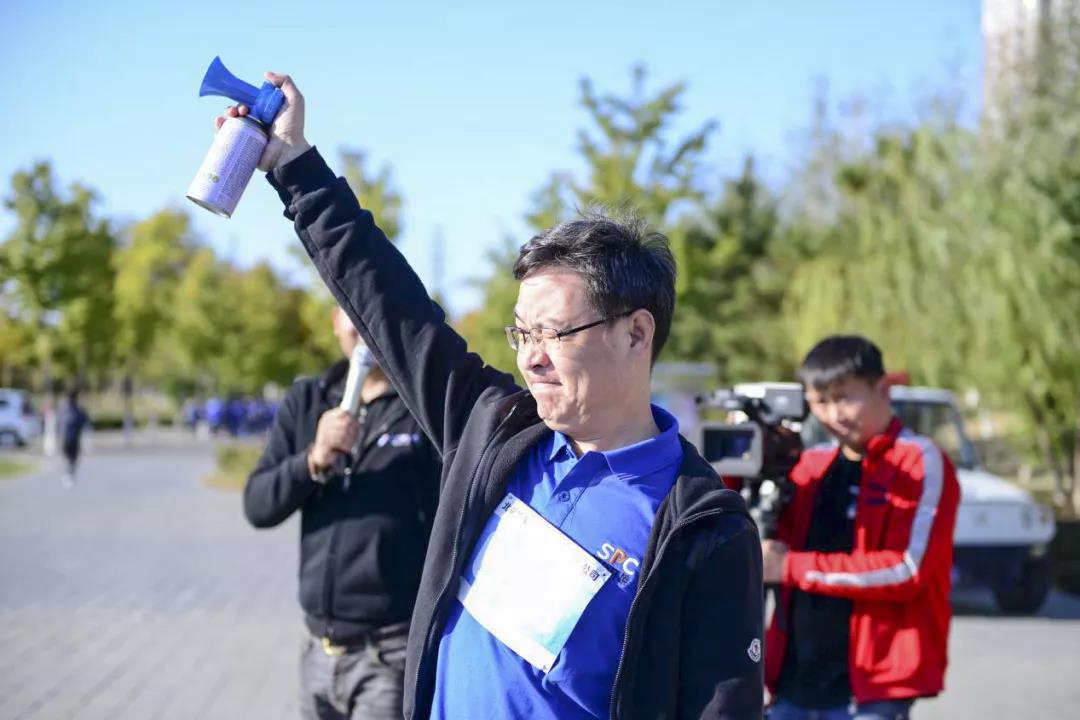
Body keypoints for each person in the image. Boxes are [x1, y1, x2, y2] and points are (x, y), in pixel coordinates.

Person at [219, 71, 764, 720]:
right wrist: (294, 164)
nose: (531, 356)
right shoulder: (497, 432)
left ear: (636, 334)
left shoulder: (702, 528)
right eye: (522, 333)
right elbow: (393, 307)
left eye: (554, 333)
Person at [243, 305, 441, 720]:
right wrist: (312, 460)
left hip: (389, 654)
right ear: (335, 321)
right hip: (317, 651)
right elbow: (258, 506)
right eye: (351, 312)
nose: (361, 326)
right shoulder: (307, 400)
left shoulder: (425, 407)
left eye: (371, 309)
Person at [762, 336, 960, 720]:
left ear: (882, 388)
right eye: (820, 401)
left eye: (843, 397)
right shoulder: (809, 464)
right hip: (794, 682)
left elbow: (906, 569)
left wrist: (791, 567)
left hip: (872, 688)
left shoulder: (919, 460)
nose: (833, 414)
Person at [58, 390, 88, 489]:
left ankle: (69, 474)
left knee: (72, 459)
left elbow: (84, 422)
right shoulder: (68, 410)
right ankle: (69, 474)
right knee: (70, 459)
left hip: (72, 439)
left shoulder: (73, 410)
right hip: (69, 439)